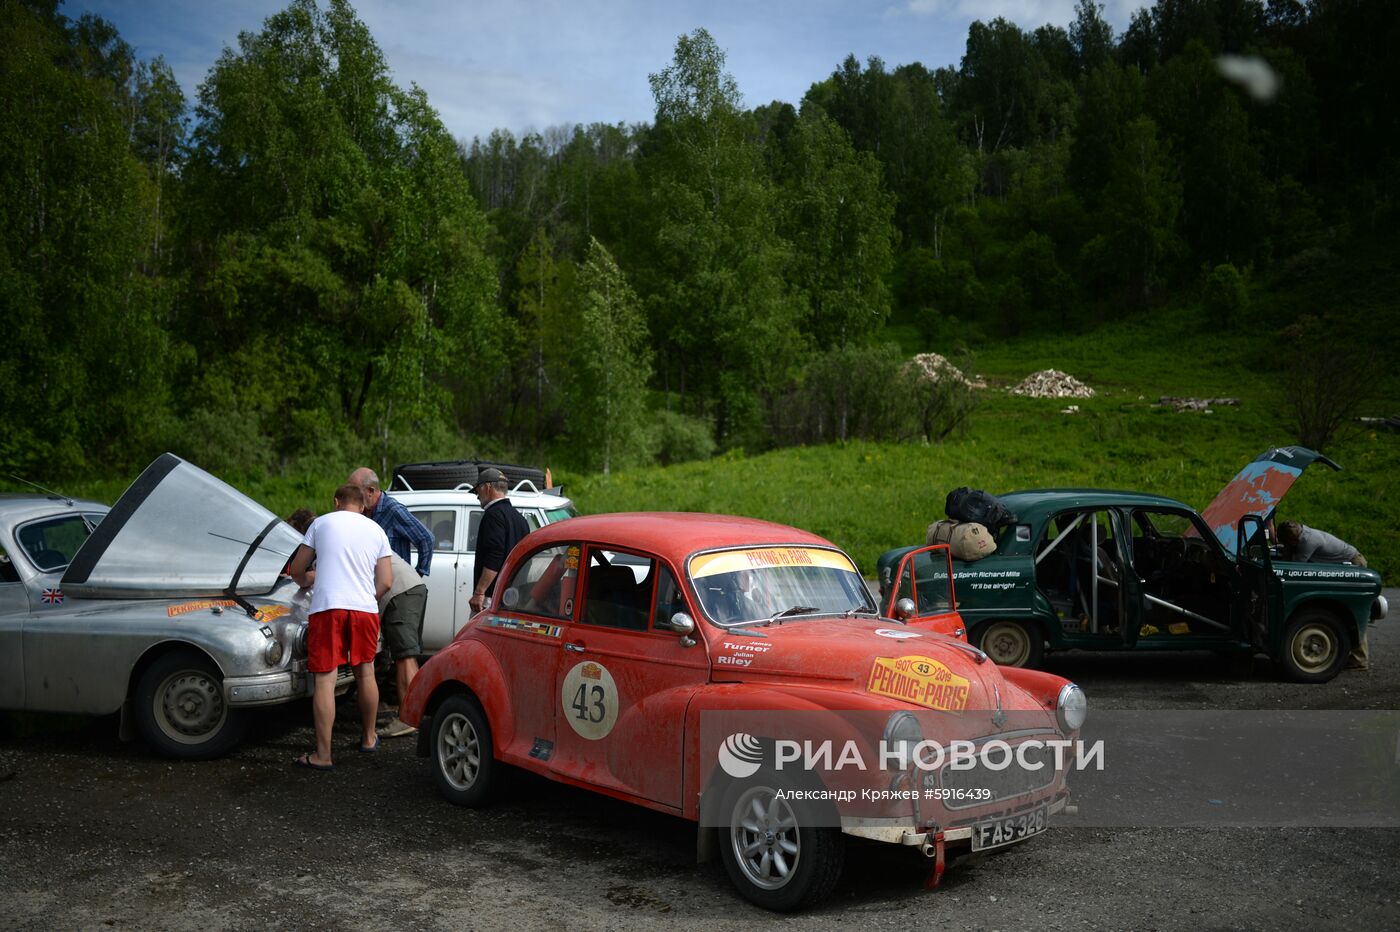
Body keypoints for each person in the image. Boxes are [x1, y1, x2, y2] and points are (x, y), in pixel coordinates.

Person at [286, 483, 393, 769]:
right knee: (365, 673)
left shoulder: (320, 524)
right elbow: (385, 581)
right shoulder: (376, 530)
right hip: (364, 609)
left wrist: (309, 578)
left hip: (328, 607)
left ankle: (323, 754)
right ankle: (369, 738)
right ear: (363, 505)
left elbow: (297, 569)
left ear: (336, 501)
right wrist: (366, 598)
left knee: (325, 680)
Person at [1276, 521, 1370, 670]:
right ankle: (1353, 655)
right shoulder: (1301, 534)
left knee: (1352, 612)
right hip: (1339, 565)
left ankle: (1360, 659)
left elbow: (1296, 566)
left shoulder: (1308, 541)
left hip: (1354, 563)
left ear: (1293, 539)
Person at [348, 467, 433, 578]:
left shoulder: (393, 510)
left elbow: (426, 538)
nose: (351, 496)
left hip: (395, 587)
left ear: (370, 491)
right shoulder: (361, 512)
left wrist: (417, 574)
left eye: (355, 491)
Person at [377, 553, 427, 739]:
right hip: (411, 585)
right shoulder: (363, 530)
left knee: (404, 656)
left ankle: (408, 720)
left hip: (400, 590)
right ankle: (412, 714)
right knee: (407, 655)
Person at [469, 467, 530, 615]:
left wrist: (479, 592)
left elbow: (495, 554)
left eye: (477, 491)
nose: (477, 496)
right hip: (512, 597)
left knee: (476, 637)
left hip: (491, 598)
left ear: (488, 487)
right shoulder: (520, 519)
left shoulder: (493, 515)